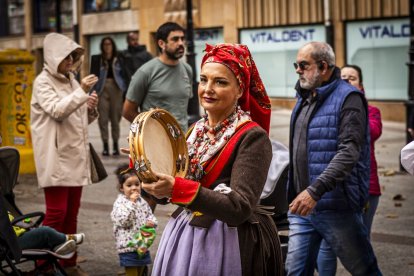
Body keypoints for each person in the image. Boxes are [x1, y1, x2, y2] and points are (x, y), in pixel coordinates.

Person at [139, 43, 283, 276]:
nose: (208, 89)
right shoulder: (196, 129)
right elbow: (177, 185)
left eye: (220, 82)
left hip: (226, 241)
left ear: (240, 90)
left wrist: (177, 189)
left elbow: (240, 207)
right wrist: (152, 169)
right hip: (186, 234)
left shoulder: (252, 137)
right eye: (204, 79)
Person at [285, 41, 382, 275]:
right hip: (302, 207)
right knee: (295, 271)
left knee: (364, 269)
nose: (298, 70)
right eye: (296, 65)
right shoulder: (305, 95)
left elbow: (349, 152)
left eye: (303, 65)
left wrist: (315, 191)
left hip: (336, 206)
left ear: (323, 66)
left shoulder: (349, 97)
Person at [30, 32, 99, 276]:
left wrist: (89, 109)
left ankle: (69, 263)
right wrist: (81, 91)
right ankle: (43, 266)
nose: (71, 61)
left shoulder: (70, 80)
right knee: (56, 214)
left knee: (71, 214)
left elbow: (77, 120)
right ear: (53, 57)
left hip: (74, 156)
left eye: (73, 56)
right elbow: (57, 111)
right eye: (66, 56)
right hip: (57, 158)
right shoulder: (43, 82)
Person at [316, 64, 383, 275]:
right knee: (328, 244)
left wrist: (353, 108)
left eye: (351, 78)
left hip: (366, 186)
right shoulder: (326, 108)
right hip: (333, 186)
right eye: (342, 77)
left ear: (360, 85)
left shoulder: (371, 111)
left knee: (361, 240)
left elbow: (372, 131)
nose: (346, 81)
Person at [122, 22, 193, 133]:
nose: (180, 43)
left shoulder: (187, 69)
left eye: (182, 39)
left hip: (181, 141)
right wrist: (149, 131)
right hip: (154, 143)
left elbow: (182, 107)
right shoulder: (145, 72)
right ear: (161, 43)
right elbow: (128, 111)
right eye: (175, 39)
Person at [111, 164, 157, 276]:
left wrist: (152, 222)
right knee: (132, 273)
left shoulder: (141, 201)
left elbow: (149, 214)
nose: (134, 188)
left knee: (142, 271)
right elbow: (123, 221)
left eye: (137, 184)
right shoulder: (120, 203)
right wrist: (131, 203)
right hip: (128, 247)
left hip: (142, 244)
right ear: (122, 188)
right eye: (129, 185)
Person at [90, 37, 126, 156]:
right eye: (105, 44)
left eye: (109, 44)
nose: (107, 46)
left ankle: (115, 145)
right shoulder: (97, 59)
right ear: (102, 46)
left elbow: (125, 74)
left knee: (116, 119)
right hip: (102, 89)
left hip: (116, 88)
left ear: (112, 45)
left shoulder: (120, 58)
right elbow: (93, 77)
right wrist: (93, 93)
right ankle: (105, 146)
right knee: (103, 119)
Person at [8, 210, 84, 255]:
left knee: (40, 232)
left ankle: (59, 245)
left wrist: (23, 224)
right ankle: (66, 239)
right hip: (11, 242)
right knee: (45, 232)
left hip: (17, 234)